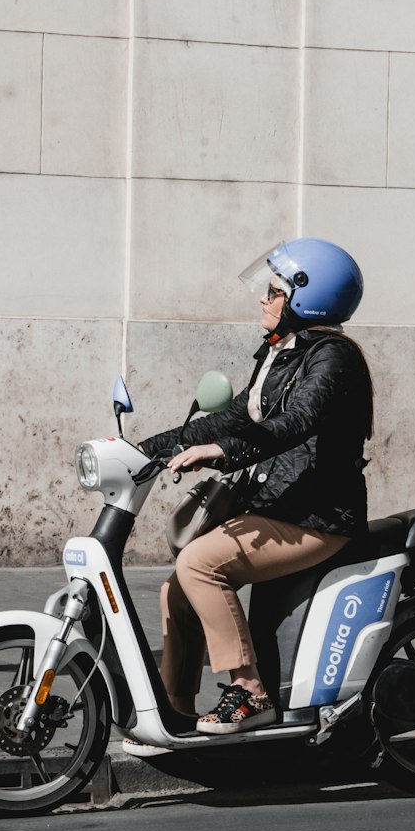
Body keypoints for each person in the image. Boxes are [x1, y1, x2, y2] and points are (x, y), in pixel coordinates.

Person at [139, 239, 374, 735]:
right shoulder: (284, 354)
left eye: (273, 292)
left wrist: (226, 452)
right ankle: (175, 707)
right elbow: (229, 417)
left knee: (199, 564)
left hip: (316, 517)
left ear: (306, 300)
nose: (263, 300)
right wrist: (142, 449)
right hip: (280, 508)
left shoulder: (333, 358)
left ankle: (249, 693)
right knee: (177, 589)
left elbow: (297, 421)